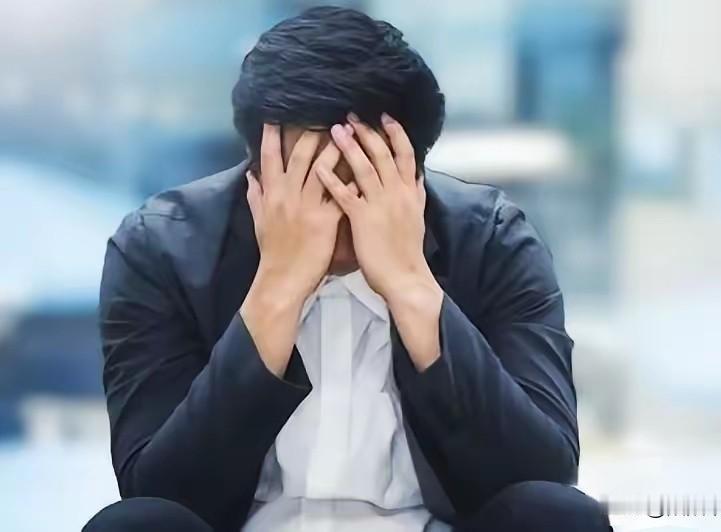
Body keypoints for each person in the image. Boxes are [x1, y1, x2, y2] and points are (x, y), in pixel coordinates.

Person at [85, 6, 611, 532]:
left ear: (413, 174)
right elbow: (158, 491)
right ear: (255, 166)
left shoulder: (492, 240)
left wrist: (410, 283)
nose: (333, 214)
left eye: (359, 184)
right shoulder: (161, 247)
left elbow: (544, 474)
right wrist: (278, 288)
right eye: (309, 185)